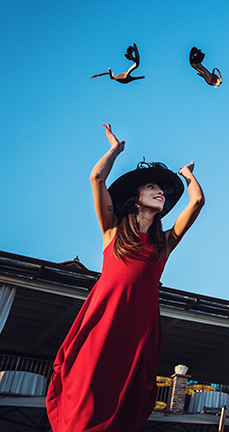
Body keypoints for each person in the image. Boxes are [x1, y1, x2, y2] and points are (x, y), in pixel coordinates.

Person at [46, 124, 205, 432]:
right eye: (151, 188)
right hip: (103, 322)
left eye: (161, 190)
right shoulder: (112, 231)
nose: (159, 192)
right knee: (85, 392)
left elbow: (197, 202)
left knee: (126, 402)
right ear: (135, 198)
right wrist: (115, 150)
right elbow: (97, 178)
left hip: (139, 328)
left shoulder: (164, 244)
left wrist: (187, 175)